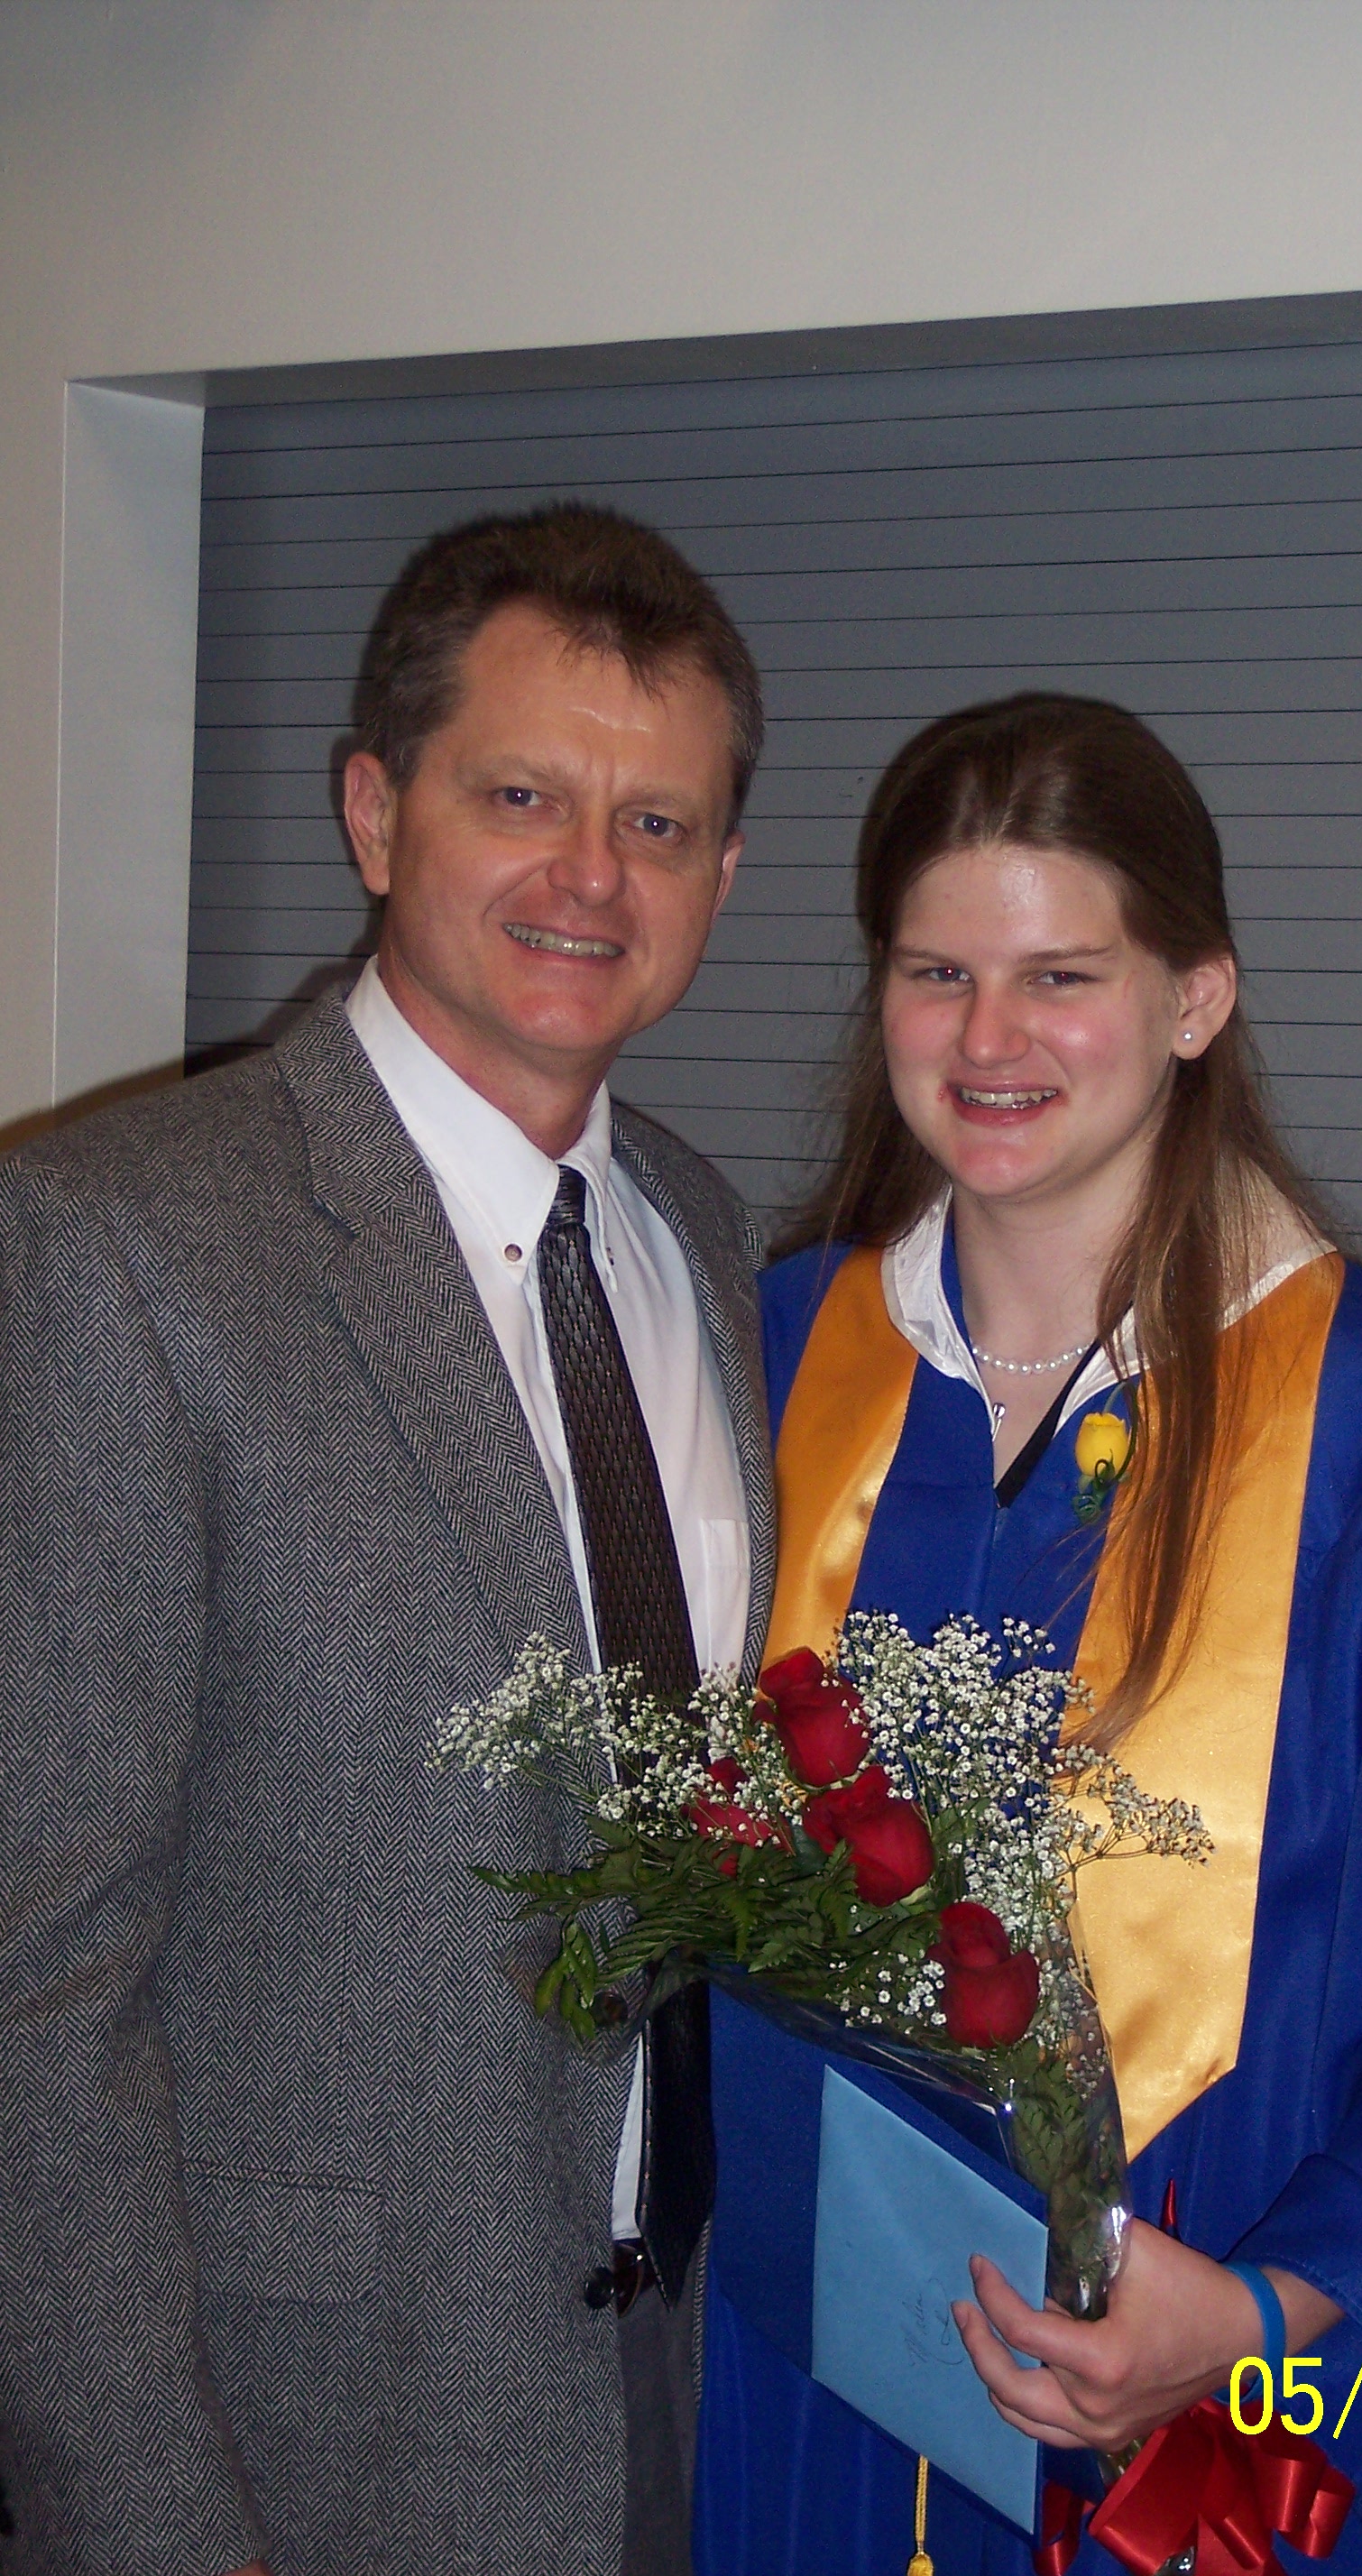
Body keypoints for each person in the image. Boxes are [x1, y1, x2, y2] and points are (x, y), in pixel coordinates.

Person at [692, 694, 1362, 2575]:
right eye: (935, 973)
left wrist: (1257, 2315)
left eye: (1061, 976)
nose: (988, 1039)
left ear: (1195, 999)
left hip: (1182, 2414)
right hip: (801, 2392)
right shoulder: (770, 1356)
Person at [0, 504, 773, 2576]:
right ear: (373, 811)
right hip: (297, 2426)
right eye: (519, 796)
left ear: (719, 879)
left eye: (658, 824)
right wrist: (153, 2526)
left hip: (674, 2366)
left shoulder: (704, 1240)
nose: (590, 876)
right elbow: (32, 1974)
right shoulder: (122, 1247)